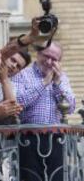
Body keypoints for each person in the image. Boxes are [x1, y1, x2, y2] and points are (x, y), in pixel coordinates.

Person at [12, 41, 76, 181]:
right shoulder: (23, 75)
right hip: (28, 137)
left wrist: (58, 83)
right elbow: (18, 103)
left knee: (57, 177)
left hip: (56, 138)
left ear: (59, 62)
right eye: (46, 56)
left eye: (54, 59)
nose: (48, 61)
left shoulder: (62, 78)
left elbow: (70, 107)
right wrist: (44, 83)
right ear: (38, 53)